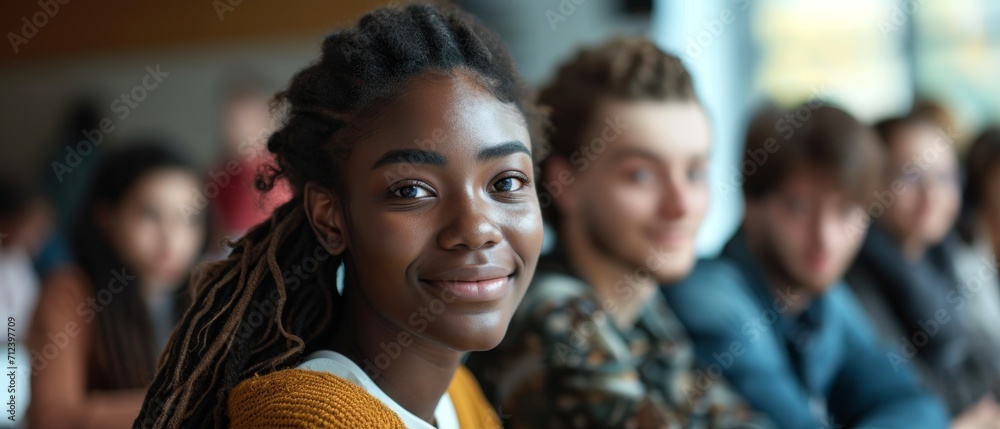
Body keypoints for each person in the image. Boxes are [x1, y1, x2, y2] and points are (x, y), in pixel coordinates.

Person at [135, 5, 547, 428]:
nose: (476, 229)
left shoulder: (459, 398)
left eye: (507, 183)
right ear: (330, 218)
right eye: (411, 190)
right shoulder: (313, 421)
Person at [466, 37, 770, 428]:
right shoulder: (553, 319)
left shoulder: (644, 310)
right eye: (640, 175)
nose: (681, 205)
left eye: (694, 172)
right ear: (566, 183)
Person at [663, 104, 950, 428]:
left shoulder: (824, 297)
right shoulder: (707, 298)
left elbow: (914, 402)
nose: (825, 238)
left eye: (846, 212)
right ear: (751, 205)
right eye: (799, 207)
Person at [27, 143, 208, 429]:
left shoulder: (204, 293)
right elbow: (51, 419)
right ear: (106, 217)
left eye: (189, 219)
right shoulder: (69, 292)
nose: (172, 240)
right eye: (151, 215)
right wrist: (192, 404)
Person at [845, 114, 1000, 421]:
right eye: (910, 177)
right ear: (872, 181)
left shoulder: (946, 260)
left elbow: (986, 362)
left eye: (944, 177)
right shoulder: (852, 276)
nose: (931, 195)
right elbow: (901, 387)